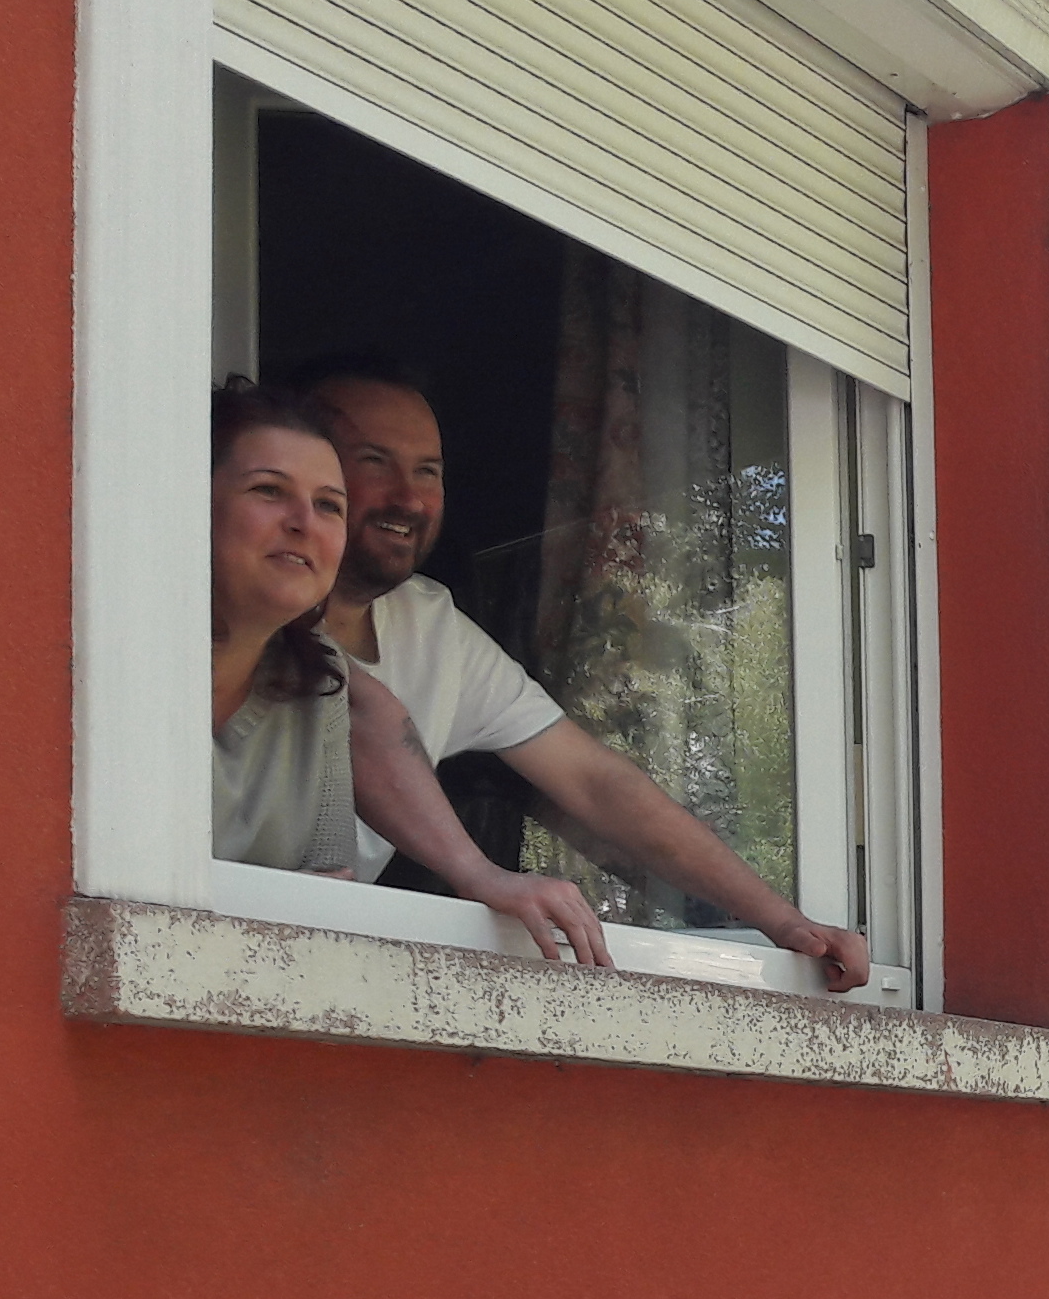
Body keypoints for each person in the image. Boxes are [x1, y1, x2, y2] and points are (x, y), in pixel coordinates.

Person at [290, 357, 875, 991]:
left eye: (428, 471)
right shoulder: (243, 606)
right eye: (374, 462)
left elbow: (596, 783)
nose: (408, 497)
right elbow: (361, 720)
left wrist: (783, 923)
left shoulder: (430, 623)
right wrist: (482, 875)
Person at [207, 385, 607, 963]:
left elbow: (324, 896)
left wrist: (482, 876)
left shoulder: (320, 694)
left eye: (329, 505)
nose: (303, 522)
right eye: (269, 490)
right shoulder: (117, 661)